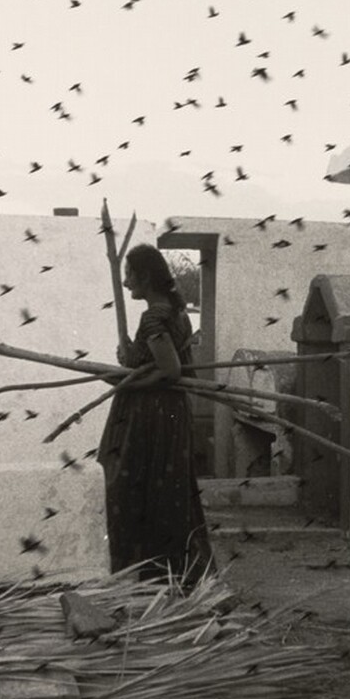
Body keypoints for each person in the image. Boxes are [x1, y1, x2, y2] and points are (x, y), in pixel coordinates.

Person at [97, 244, 214, 585]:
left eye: (130, 274)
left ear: (146, 277)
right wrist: (129, 357)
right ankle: (167, 578)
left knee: (130, 489)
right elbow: (167, 367)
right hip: (171, 413)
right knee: (167, 493)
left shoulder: (153, 317)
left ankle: (144, 579)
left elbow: (172, 371)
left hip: (146, 416)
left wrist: (125, 382)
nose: (126, 282)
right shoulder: (177, 314)